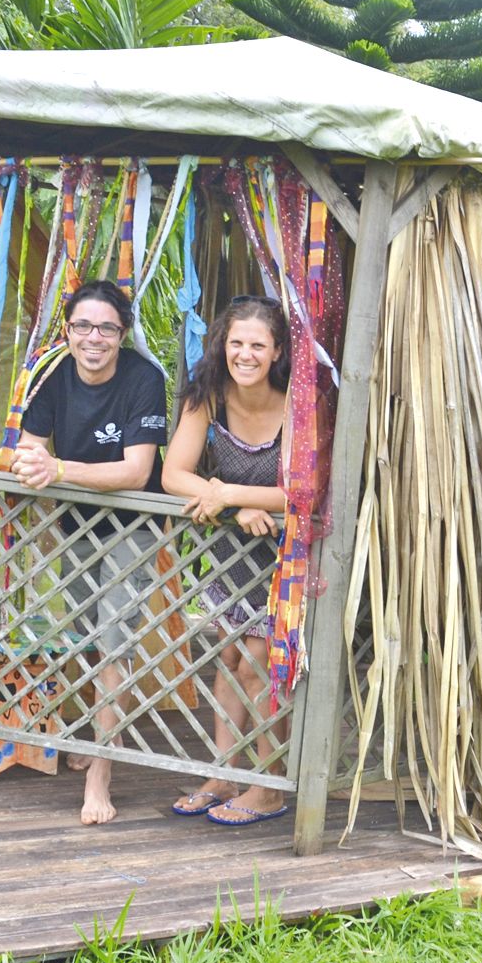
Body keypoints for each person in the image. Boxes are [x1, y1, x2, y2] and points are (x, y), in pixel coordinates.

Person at [9, 279, 169, 826]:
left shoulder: (144, 379)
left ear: (122, 335)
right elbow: (28, 447)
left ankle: (101, 772)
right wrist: (33, 462)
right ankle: (89, 737)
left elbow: (136, 470)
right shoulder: (52, 374)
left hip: (132, 525)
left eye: (106, 328)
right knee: (83, 636)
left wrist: (58, 469)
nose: (93, 338)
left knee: (113, 644)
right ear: (68, 331)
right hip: (77, 524)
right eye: (83, 326)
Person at [161, 294, 291, 826]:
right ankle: (223, 774)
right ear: (223, 344)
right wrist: (234, 507)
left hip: (284, 553)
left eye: (257, 345)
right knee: (231, 662)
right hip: (232, 547)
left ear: (277, 350)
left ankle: (268, 787)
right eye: (236, 342)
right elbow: (174, 475)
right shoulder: (207, 397)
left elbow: (300, 491)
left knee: (261, 665)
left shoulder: (296, 405)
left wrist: (229, 492)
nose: (245, 354)